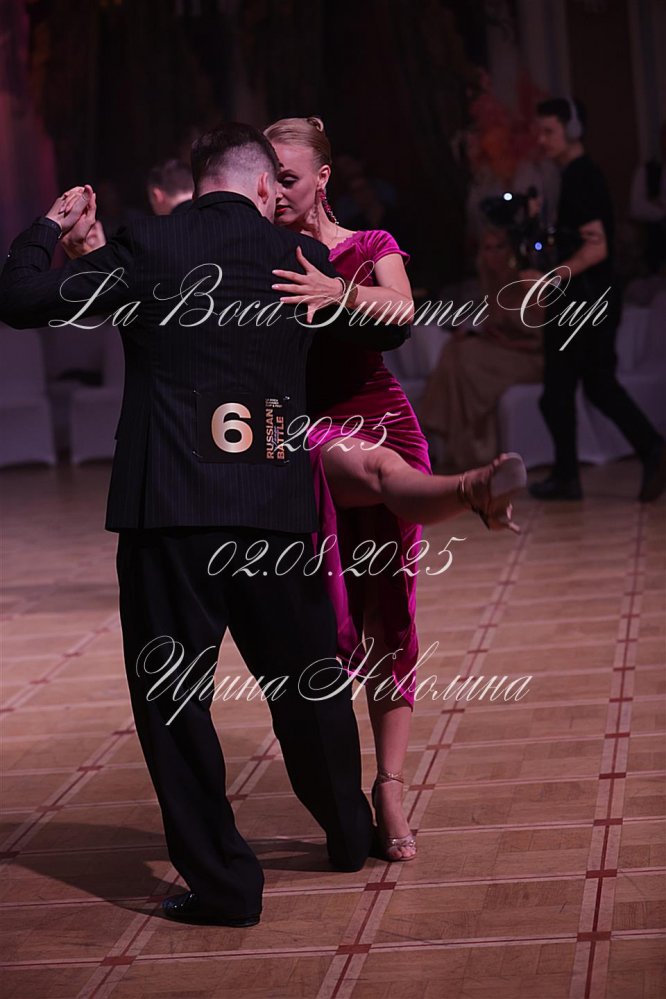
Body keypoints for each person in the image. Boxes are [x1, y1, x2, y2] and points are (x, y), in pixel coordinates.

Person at [0, 123, 411, 926]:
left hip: (171, 512)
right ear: (261, 186)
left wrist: (50, 226)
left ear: (201, 180)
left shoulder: (147, 244)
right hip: (274, 507)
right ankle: (345, 832)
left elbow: (19, 300)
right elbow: (393, 325)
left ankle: (225, 886)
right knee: (309, 685)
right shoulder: (300, 257)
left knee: (175, 701)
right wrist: (340, 292)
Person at [264, 116, 527, 862]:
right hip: (306, 428)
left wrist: (335, 291)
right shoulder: (259, 249)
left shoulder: (368, 245)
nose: (275, 191)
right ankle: (470, 489)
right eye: (267, 178)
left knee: (392, 616)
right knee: (378, 483)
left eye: (288, 178)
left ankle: (388, 784)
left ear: (322, 178)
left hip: (383, 415)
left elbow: (403, 309)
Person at [526, 98, 666, 502]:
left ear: (572, 131)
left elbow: (597, 247)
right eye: (539, 131)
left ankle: (646, 451)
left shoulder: (581, 176)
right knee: (577, 389)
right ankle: (573, 474)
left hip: (584, 301)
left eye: (550, 131)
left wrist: (549, 278)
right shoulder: (570, 175)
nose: (542, 139)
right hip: (584, 299)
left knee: (574, 390)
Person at [419, 226, 544, 470]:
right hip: (505, 350)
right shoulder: (491, 283)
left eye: (500, 247)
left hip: (532, 357)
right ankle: (460, 445)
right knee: (454, 349)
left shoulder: (527, 282)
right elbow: (495, 325)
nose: (494, 254)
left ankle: (458, 439)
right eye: (488, 248)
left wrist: (503, 341)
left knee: (466, 359)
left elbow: (544, 340)